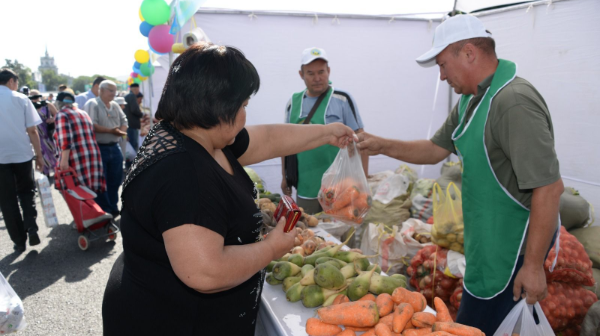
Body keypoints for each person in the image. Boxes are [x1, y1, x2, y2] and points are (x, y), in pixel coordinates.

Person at [102, 43, 356, 335]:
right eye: (244, 105)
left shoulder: (192, 133)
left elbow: (269, 139)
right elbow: (205, 271)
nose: (246, 115)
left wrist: (327, 132)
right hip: (168, 321)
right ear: (218, 105)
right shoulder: (182, 170)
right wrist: (271, 248)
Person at [356, 15, 563, 334]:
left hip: (513, 254)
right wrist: (379, 144)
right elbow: (435, 149)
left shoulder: (513, 102)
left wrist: (533, 267)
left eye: (442, 65)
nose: (441, 77)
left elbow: (549, 188)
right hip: (484, 245)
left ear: (468, 53)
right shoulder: (470, 99)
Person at [281, 47, 368, 214]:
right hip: (306, 187)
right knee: (309, 233)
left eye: (321, 72)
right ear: (301, 74)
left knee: (340, 233)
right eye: (310, 73)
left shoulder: (342, 99)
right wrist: (285, 177)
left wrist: (361, 180)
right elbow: (284, 143)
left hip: (340, 187)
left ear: (329, 71)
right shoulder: (293, 103)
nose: (317, 78)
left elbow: (362, 140)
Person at [0, 68, 43, 252]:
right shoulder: (21, 98)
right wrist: (39, 155)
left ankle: (18, 240)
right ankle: (31, 227)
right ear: (11, 81)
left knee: (7, 199)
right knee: (26, 191)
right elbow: (32, 130)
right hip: (22, 154)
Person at [84, 80, 127, 217]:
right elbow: (92, 125)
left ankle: (112, 206)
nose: (114, 94)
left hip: (114, 146)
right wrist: (112, 131)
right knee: (102, 181)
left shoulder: (114, 105)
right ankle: (104, 210)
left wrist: (120, 131)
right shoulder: (93, 104)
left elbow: (124, 120)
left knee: (116, 179)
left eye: (115, 90)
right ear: (101, 90)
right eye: (111, 90)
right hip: (99, 148)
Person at [54, 90, 105, 195]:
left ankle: (89, 212)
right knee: (90, 191)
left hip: (76, 157)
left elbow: (65, 139)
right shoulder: (83, 113)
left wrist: (64, 161)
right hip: (92, 155)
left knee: (78, 192)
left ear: (58, 103)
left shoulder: (62, 114)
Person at [28, 90, 58, 177]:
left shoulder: (47, 104)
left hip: (48, 134)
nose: (34, 99)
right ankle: (45, 173)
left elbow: (58, 115)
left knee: (53, 152)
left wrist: (52, 119)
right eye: (32, 97)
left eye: (36, 97)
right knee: (41, 153)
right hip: (37, 135)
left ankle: (56, 172)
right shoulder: (28, 106)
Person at [123, 83, 143, 152]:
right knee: (133, 145)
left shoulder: (128, 96)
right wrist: (141, 115)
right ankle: (133, 162)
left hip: (129, 124)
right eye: (138, 89)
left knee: (132, 144)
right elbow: (134, 109)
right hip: (131, 124)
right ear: (135, 89)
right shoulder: (132, 96)